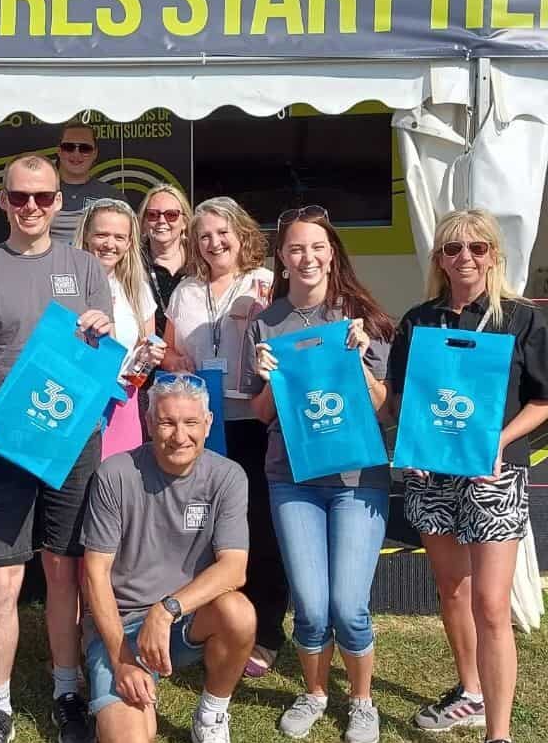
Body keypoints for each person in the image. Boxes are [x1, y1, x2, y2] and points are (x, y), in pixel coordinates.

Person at [0, 154, 114, 743]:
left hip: (72, 442)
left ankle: (67, 690)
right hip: (3, 444)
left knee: (65, 570)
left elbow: (101, 361)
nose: (32, 208)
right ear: (3, 201)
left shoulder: (89, 269)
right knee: (1, 581)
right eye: (20, 197)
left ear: (60, 202)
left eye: (43, 198)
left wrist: (102, 331)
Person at [387, 209, 548, 743]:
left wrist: (497, 440)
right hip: (432, 476)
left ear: (494, 254)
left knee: (491, 605)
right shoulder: (419, 320)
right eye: (453, 249)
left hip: (492, 477)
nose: (466, 259)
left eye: (477, 248)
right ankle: (470, 694)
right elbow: (404, 400)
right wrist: (408, 438)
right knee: (452, 590)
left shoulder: (522, 318)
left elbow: (543, 400)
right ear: (438, 258)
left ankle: (498, 734)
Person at [242, 204, 394, 743]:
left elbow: (382, 408)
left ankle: (362, 702)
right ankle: (314, 693)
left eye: (317, 247)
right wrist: (264, 379)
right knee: (309, 604)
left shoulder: (363, 319)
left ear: (332, 255)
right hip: (291, 477)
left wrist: (357, 361)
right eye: (295, 249)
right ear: (281, 259)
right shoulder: (264, 322)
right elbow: (262, 413)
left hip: (358, 480)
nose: (306, 257)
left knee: (348, 606)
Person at [82, 372, 256, 743]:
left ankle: (211, 713)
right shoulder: (114, 474)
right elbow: (95, 574)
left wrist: (166, 610)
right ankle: (121, 685)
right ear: (148, 423)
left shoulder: (228, 477)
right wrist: (122, 660)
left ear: (208, 424)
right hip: (123, 625)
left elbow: (234, 568)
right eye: (167, 422)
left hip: (185, 618)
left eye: (191, 422)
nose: (180, 436)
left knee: (239, 613)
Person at [162, 196, 289, 678]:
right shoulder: (186, 291)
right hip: (199, 426)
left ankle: (269, 632)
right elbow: (171, 351)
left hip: (252, 421)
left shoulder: (263, 284)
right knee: (205, 527)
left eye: (222, 233)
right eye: (204, 236)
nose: (214, 243)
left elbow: (282, 337)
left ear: (240, 234)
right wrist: (175, 363)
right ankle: (212, 623)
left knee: (259, 526)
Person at [74, 198, 166, 457]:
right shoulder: (67, 285)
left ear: (129, 243)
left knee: (118, 487)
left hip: (123, 402)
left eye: (119, 237)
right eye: (101, 235)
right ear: (86, 236)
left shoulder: (137, 289)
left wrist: (147, 359)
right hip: (76, 401)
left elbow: (141, 364)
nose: (110, 244)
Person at [50, 121, 128, 245]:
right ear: (59, 151)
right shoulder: (39, 192)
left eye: (84, 148)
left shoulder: (112, 197)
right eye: (69, 147)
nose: (76, 154)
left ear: (95, 153)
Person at [137, 184, 193, 337]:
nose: (162, 221)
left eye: (171, 215)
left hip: (191, 354)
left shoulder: (200, 262)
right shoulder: (132, 263)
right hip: (146, 354)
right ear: (143, 223)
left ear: (185, 222)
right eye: (153, 215)